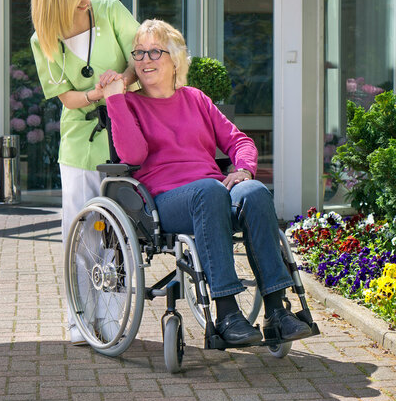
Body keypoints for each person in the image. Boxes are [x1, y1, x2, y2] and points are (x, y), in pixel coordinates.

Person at [101, 19, 312, 346]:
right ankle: (227, 314)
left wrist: (243, 170)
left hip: (211, 193)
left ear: (175, 60)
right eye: (138, 53)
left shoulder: (196, 99)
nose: (144, 60)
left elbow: (240, 142)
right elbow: (133, 155)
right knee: (210, 190)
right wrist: (114, 98)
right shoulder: (130, 104)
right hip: (164, 202)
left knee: (253, 191)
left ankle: (277, 312)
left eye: (154, 51)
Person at [30, 0, 139, 344]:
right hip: (79, 146)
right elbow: (68, 99)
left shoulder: (110, 11)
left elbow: (141, 59)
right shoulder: (43, 38)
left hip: (126, 136)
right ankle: (80, 317)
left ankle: (113, 318)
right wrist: (96, 92)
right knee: (81, 237)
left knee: (120, 234)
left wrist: (121, 81)